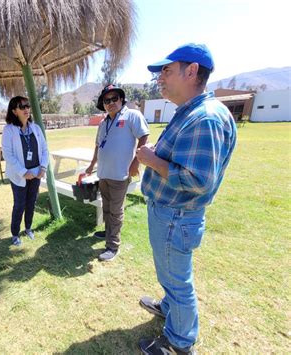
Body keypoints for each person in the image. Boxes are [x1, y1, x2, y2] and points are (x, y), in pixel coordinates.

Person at [136, 44, 237, 354]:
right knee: (170, 273)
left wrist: (151, 160)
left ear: (191, 71)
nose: (159, 78)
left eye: (166, 70)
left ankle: (179, 343)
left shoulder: (204, 118)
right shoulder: (193, 112)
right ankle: (169, 308)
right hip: (172, 215)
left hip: (176, 216)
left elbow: (197, 179)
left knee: (178, 281)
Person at [86, 84, 149, 261]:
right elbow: (98, 145)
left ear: (121, 100)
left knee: (115, 210)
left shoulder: (132, 116)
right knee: (106, 206)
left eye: (114, 98)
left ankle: (113, 246)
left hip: (120, 174)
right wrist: (92, 165)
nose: (111, 102)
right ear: (103, 104)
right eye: (107, 100)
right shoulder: (103, 122)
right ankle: (108, 232)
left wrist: (136, 162)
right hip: (104, 173)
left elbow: (144, 137)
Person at [1, 96, 49, 246]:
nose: (27, 109)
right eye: (22, 107)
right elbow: (8, 155)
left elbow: (45, 150)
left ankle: (28, 228)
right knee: (19, 204)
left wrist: (43, 167)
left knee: (31, 203)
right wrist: (23, 172)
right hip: (18, 175)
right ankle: (15, 234)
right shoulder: (9, 130)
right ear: (14, 111)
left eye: (27, 106)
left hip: (36, 174)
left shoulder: (36, 128)